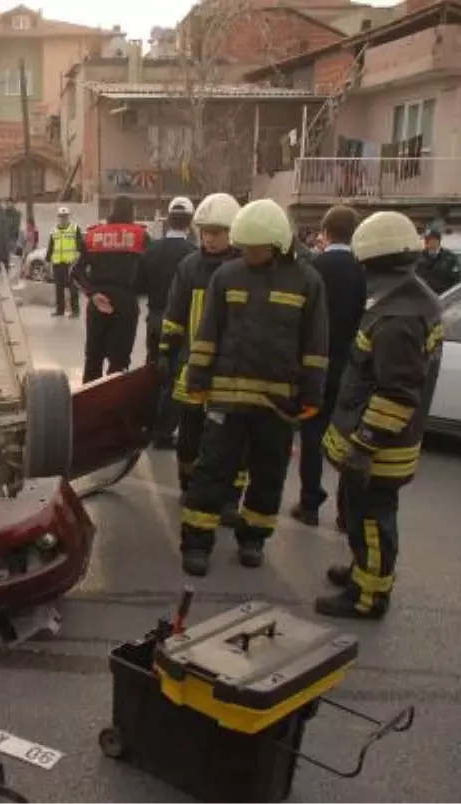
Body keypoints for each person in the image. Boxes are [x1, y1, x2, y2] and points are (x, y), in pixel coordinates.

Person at [178, 198, 329, 577]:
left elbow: (315, 347)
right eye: (244, 247)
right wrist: (197, 380)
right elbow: (208, 334)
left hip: (277, 403)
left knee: (268, 474)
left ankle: (252, 540)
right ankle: (196, 544)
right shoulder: (227, 276)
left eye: (255, 248)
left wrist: (312, 395)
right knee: (212, 471)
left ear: (278, 244)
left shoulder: (307, 282)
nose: (248, 253)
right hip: (227, 398)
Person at [315, 211, 444, 619]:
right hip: (387, 442)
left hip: (379, 447)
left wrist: (365, 444)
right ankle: (361, 571)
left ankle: (368, 597)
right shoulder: (409, 297)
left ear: (372, 261)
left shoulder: (396, 317)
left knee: (371, 517)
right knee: (364, 515)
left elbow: (396, 393)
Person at [159, 192, 243, 510]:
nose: (208, 239)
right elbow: (174, 314)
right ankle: (188, 484)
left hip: (231, 369)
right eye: (205, 232)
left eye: (216, 233)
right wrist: (166, 351)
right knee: (190, 434)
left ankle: (229, 498)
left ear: (232, 232)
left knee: (230, 439)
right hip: (192, 366)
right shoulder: (189, 267)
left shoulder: (244, 269)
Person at [290, 206, 367, 529]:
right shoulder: (364, 270)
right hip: (354, 367)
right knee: (351, 439)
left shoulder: (312, 268)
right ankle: (346, 513)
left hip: (315, 364)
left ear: (325, 230)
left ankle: (309, 503)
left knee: (312, 434)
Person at [138, 196, 196, 447]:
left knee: (153, 369)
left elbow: (138, 285)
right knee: (174, 375)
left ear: (167, 220)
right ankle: (163, 432)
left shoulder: (152, 250)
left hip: (156, 316)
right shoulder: (194, 255)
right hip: (182, 324)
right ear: (190, 223)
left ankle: (147, 422)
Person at [72, 195, 147, 381]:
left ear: (111, 210)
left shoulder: (93, 235)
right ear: (132, 212)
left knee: (93, 360)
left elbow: (75, 272)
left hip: (98, 302)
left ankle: (89, 404)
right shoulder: (141, 236)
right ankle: (114, 405)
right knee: (119, 363)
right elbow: (151, 269)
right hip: (126, 303)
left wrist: (92, 293)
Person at [44, 207, 84, 319]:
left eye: (65, 216)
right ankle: (59, 310)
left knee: (73, 288)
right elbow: (50, 248)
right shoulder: (54, 231)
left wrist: (78, 257)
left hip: (70, 264)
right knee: (58, 288)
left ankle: (75, 311)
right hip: (57, 264)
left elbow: (80, 245)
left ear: (68, 217)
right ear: (58, 218)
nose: (63, 218)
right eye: (61, 217)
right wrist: (48, 261)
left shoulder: (74, 228)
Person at [415, 228, 461, 294]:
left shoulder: (449, 258)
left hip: (443, 296)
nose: (425, 242)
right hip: (424, 297)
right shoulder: (419, 257)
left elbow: (456, 280)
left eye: (428, 239)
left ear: (436, 241)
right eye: (425, 239)